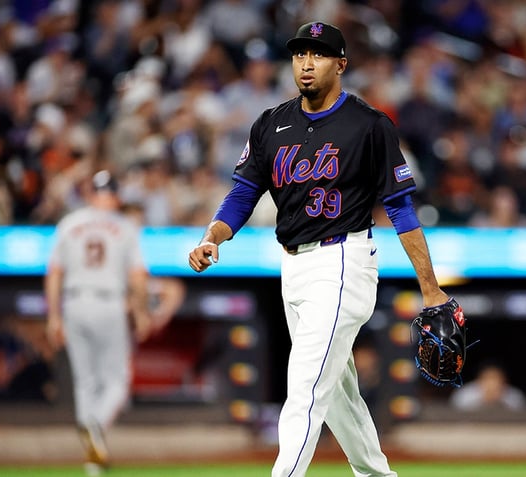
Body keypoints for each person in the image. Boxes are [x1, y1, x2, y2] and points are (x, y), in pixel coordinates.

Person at [188, 21, 452, 477]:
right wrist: (213, 236)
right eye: (299, 54)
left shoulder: (369, 125)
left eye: (318, 54)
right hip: (292, 267)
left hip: (343, 261)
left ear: (341, 64)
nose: (306, 63)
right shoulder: (272, 123)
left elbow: (402, 209)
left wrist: (431, 289)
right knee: (338, 396)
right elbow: (243, 193)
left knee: (306, 385)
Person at [44, 170, 152, 476]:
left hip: (74, 302)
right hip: (108, 303)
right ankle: (96, 427)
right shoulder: (124, 226)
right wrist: (142, 312)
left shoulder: (70, 223)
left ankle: (92, 461)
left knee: (86, 382)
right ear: (116, 196)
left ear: (91, 194)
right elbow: (138, 277)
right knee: (118, 380)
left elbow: (54, 273)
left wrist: (54, 316)